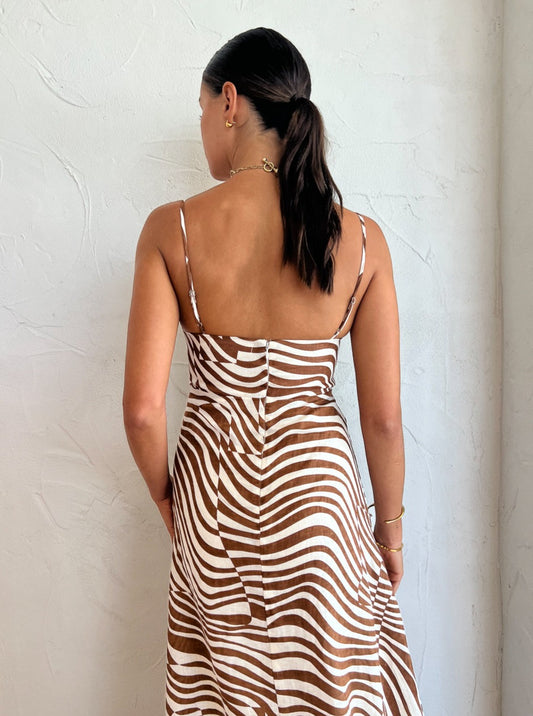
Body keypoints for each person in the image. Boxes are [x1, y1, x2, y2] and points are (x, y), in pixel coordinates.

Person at [123, 26, 424, 716]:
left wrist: (167, 498)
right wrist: (388, 530)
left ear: (230, 101)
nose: (203, 126)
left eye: (202, 109)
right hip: (317, 501)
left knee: (222, 695)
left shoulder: (171, 230)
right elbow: (383, 419)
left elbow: (141, 410)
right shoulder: (362, 240)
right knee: (332, 690)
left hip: (213, 502)